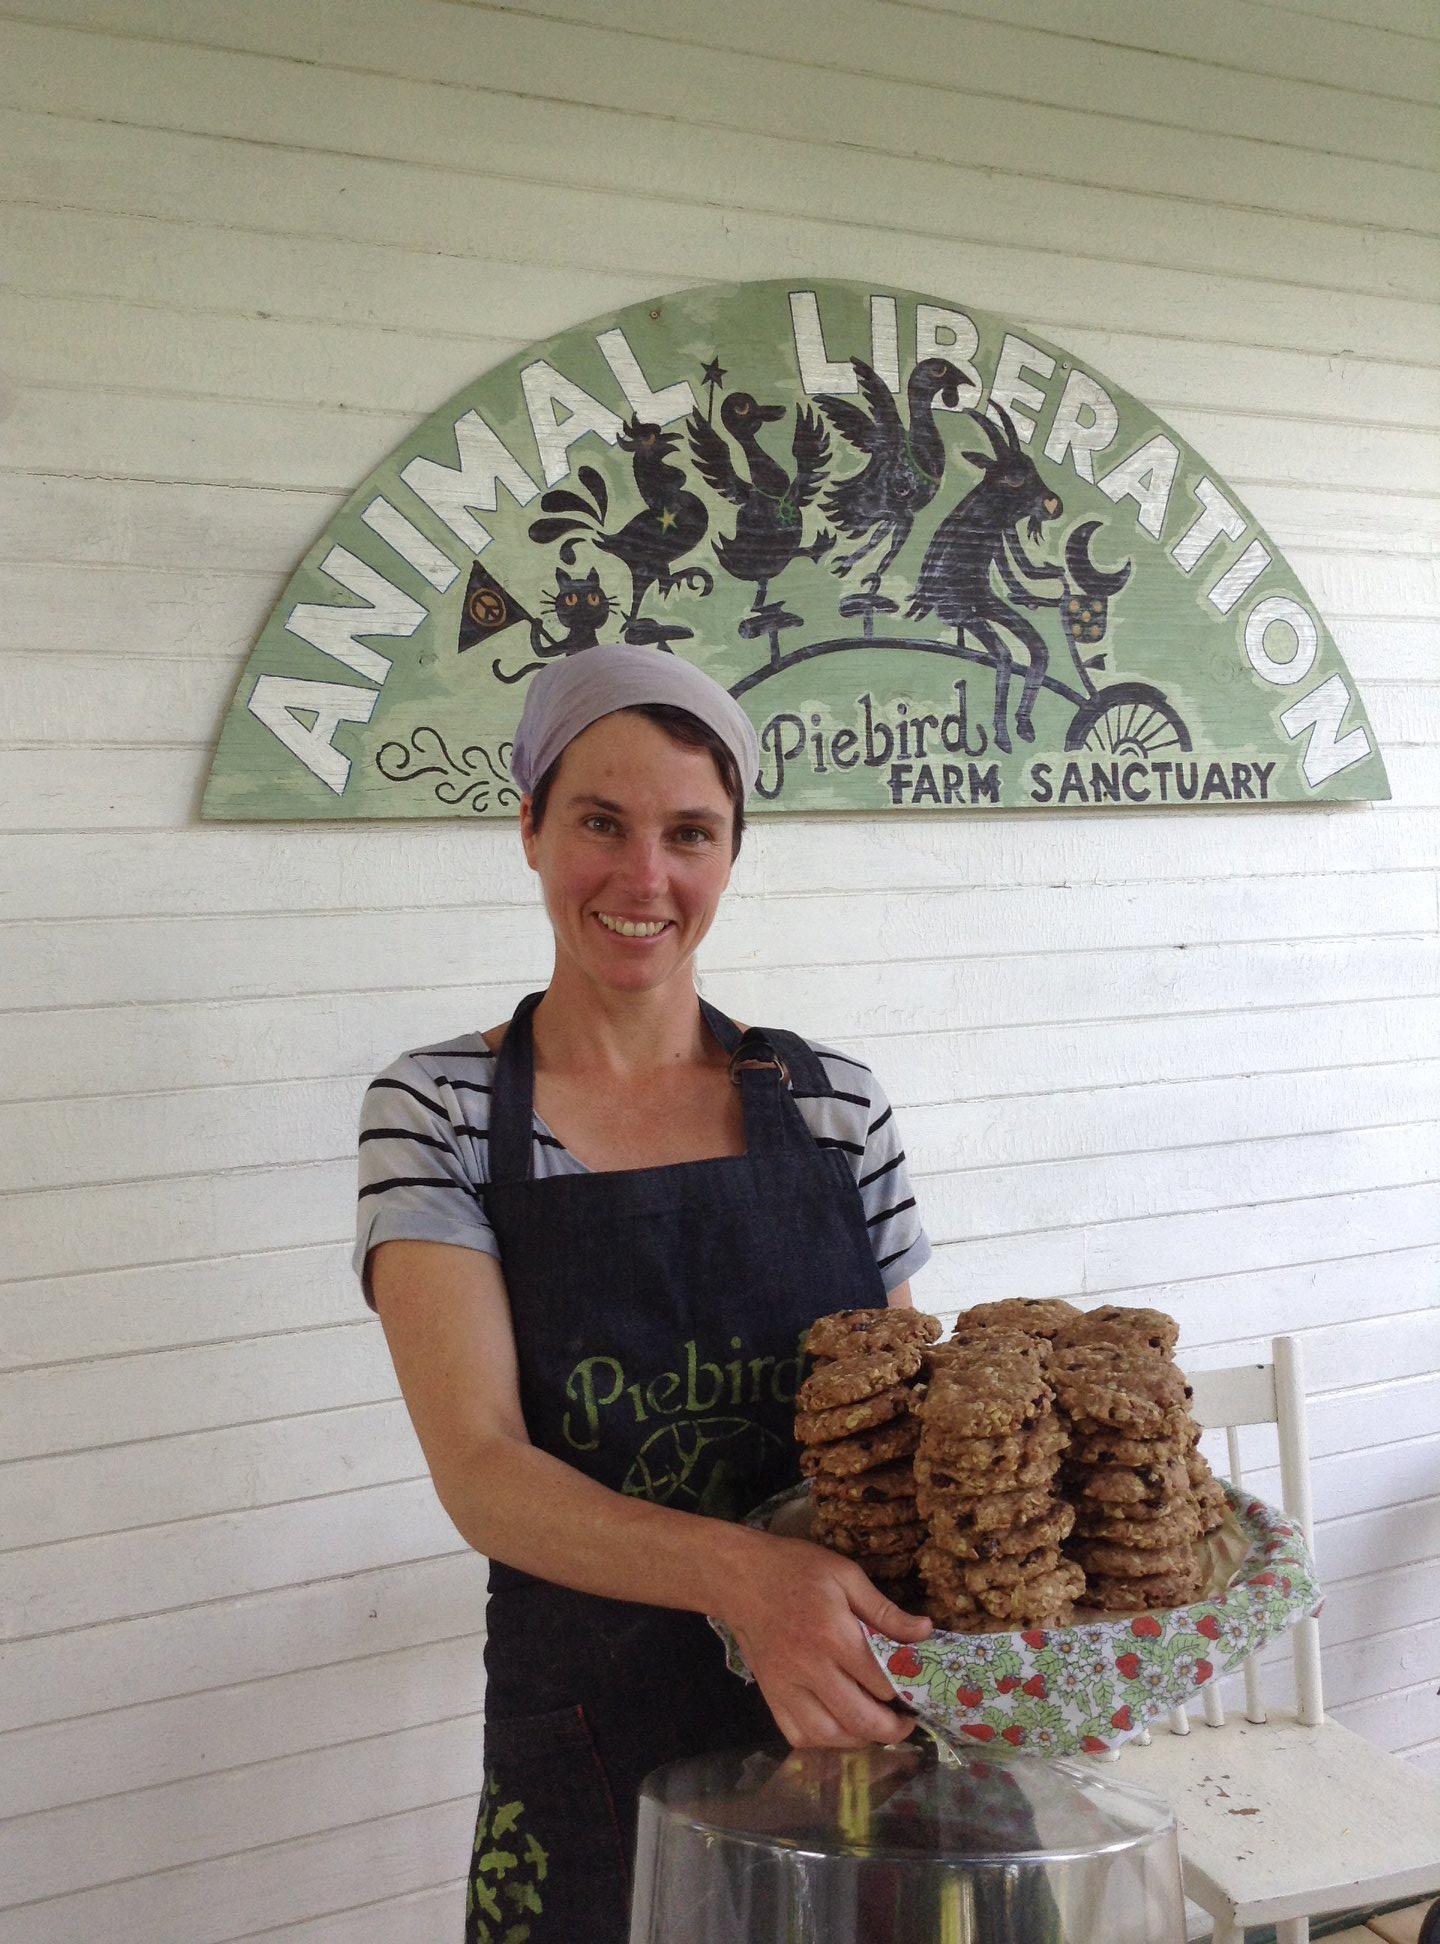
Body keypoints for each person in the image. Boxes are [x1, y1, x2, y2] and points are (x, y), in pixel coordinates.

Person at [355, 645, 934, 1943]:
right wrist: (753, 1583)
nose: (645, 878)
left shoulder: (834, 1104)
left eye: (691, 833)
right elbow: (482, 1469)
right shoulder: (438, 1112)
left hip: (851, 1716)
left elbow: (913, 1438)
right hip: (591, 1740)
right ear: (529, 828)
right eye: (600, 824)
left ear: (733, 852)